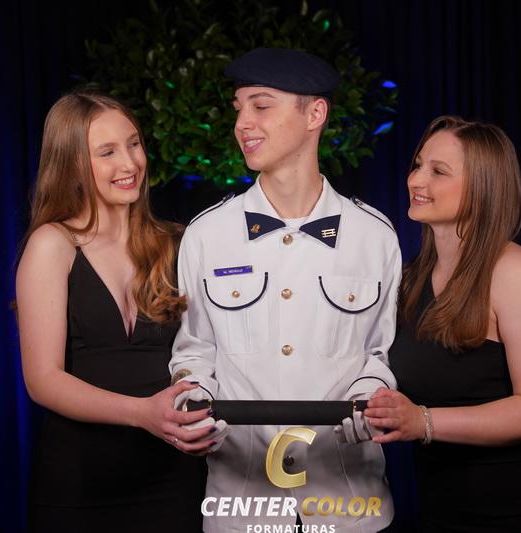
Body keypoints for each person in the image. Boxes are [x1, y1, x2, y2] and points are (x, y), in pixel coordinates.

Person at [169, 48, 401, 532]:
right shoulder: (206, 234)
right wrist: (192, 401)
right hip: (241, 508)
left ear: (315, 114)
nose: (242, 123)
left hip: (349, 507)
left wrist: (370, 399)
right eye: (239, 108)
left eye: (261, 105)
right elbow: (195, 351)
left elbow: (381, 353)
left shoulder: (374, 235)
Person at [364, 116, 521, 531]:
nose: (415, 180)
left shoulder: (516, 273)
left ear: (483, 188)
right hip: (440, 512)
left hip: (519, 516)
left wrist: (423, 421)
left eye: (438, 171)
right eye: (418, 165)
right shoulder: (411, 278)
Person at [16, 91, 220, 532]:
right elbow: (42, 380)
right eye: (107, 152)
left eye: (133, 144)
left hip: (174, 482)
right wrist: (143, 413)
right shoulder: (52, 244)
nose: (129, 164)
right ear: (71, 163)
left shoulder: (177, 242)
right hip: (80, 488)